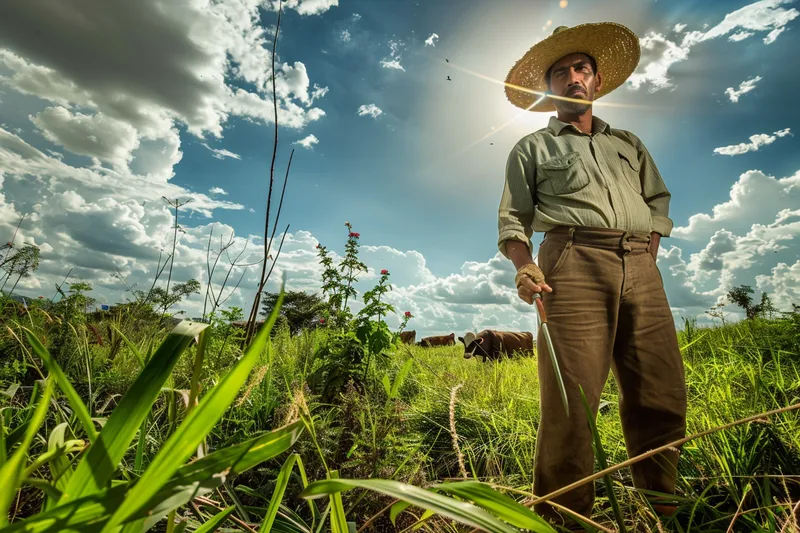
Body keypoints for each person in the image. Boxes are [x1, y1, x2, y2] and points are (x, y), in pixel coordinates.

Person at [497, 22, 688, 531]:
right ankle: (563, 518)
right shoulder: (532, 148)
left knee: (661, 392)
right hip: (572, 264)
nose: (572, 78)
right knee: (571, 402)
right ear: (549, 88)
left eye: (581, 69)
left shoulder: (628, 143)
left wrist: (647, 249)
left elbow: (657, 200)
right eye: (560, 72)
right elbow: (513, 220)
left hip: (641, 267)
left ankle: (662, 508)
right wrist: (525, 265)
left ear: (597, 81)